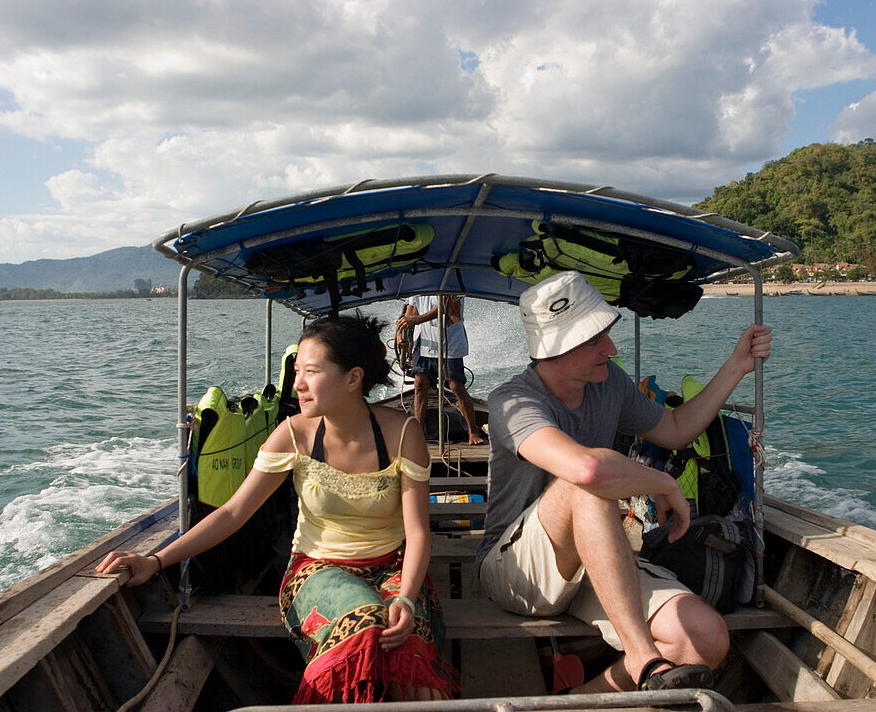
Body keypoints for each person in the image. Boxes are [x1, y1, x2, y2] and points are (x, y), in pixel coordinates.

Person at [97, 315, 458, 703]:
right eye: (297, 370)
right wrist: (155, 560)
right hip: (318, 569)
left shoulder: (402, 433)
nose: (298, 383)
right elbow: (233, 513)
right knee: (365, 624)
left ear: (353, 379)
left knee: (408, 649)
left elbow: (418, 532)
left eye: (311, 371)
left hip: (395, 569)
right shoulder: (293, 434)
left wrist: (405, 596)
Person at [477, 270, 772, 694]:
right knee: (587, 488)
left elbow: (673, 429)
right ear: (555, 349)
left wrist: (736, 366)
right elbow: (587, 471)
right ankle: (640, 654)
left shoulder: (608, 382)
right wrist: (662, 482)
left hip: (595, 556)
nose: (611, 349)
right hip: (517, 570)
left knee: (705, 639)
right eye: (595, 340)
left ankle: (583, 699)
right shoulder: (513, 401)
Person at [397, 295, 484, 445]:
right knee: (420, 385)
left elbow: (444, 307)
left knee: (455, 386)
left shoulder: (449, 280)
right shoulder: (418, 287)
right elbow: (410, 313)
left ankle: (473, 431)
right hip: (424, 341)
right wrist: (400, 335)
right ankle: (418, 433)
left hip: (449, 340)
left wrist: (416, 320)